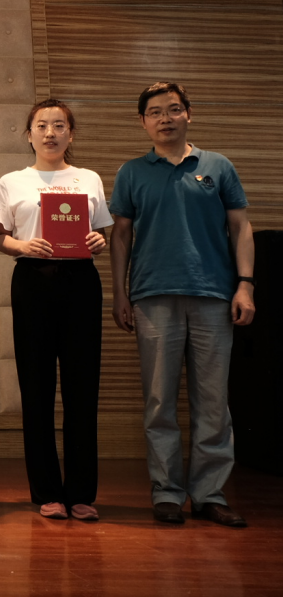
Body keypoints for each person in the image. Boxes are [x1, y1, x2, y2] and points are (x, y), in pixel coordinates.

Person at [109, 82, 254, 528]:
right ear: (143, 122)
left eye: (173, 109)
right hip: (153, 296)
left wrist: (245, 285)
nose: (165, 118)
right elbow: (121, 236)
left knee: (214, 402)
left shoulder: (217, 166)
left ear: (188, 113)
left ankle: (209, 494)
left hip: (214, 296)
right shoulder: (132, 172)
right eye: (155, 112)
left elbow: (240, 226)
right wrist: (119, 293)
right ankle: (167, 493)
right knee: (159, 401)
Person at [0, 99, 111, 521]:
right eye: (41, 125)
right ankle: (46, 490)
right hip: (33, 281)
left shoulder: (88, 178)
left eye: (59, 125)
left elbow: (100, 233)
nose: (50, 133)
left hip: (80, 282)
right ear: (28, 135)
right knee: (36, 387)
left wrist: (98, 241)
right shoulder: (12, 181)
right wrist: (22, 245)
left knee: (82, 387)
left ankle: (80, 491)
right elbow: (0, 237)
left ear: (70, 134)